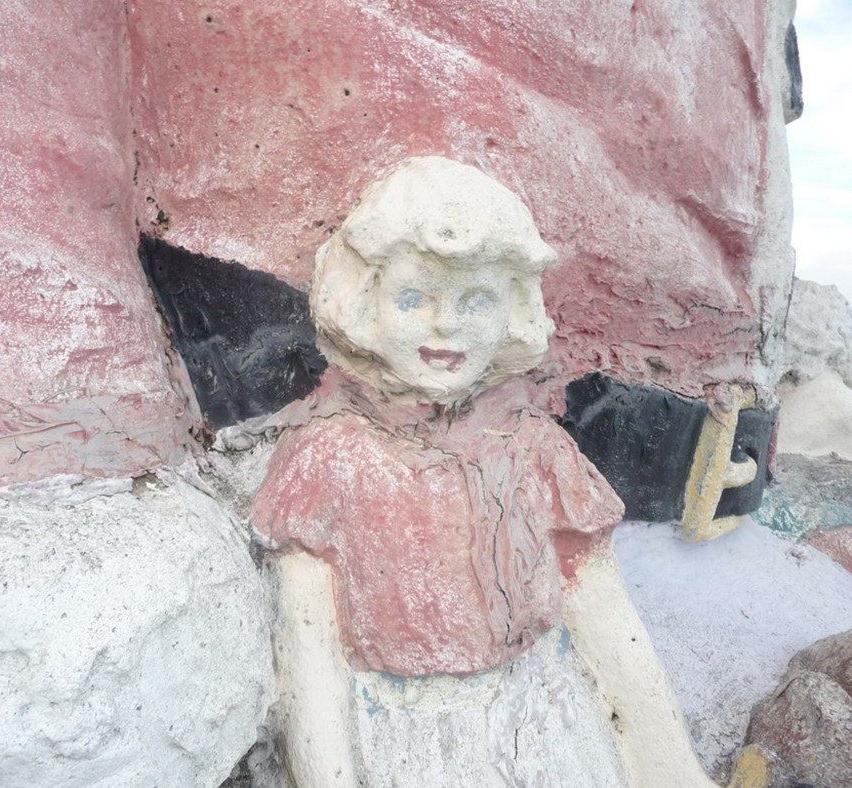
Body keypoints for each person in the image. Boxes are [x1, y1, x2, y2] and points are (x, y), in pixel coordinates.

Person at [251, 157, 717, 787]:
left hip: (548, 726)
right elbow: (306, 644)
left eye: (477, 300)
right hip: (407, 741)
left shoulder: (536, 450)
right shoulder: (328, 457)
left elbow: (602, 609)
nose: (446, 325)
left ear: (512, 311)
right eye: (413, 298)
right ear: (364, 303)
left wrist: (671, 768)